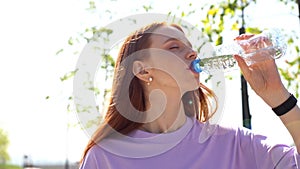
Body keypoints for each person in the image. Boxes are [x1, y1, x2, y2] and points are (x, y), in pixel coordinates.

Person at [79, 22, 300, 169]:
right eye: (173, 47)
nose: (192, 53)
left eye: (191, 48)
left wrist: (279, 98)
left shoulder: (234, 144)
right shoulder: (105, 158)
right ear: (142, 70)